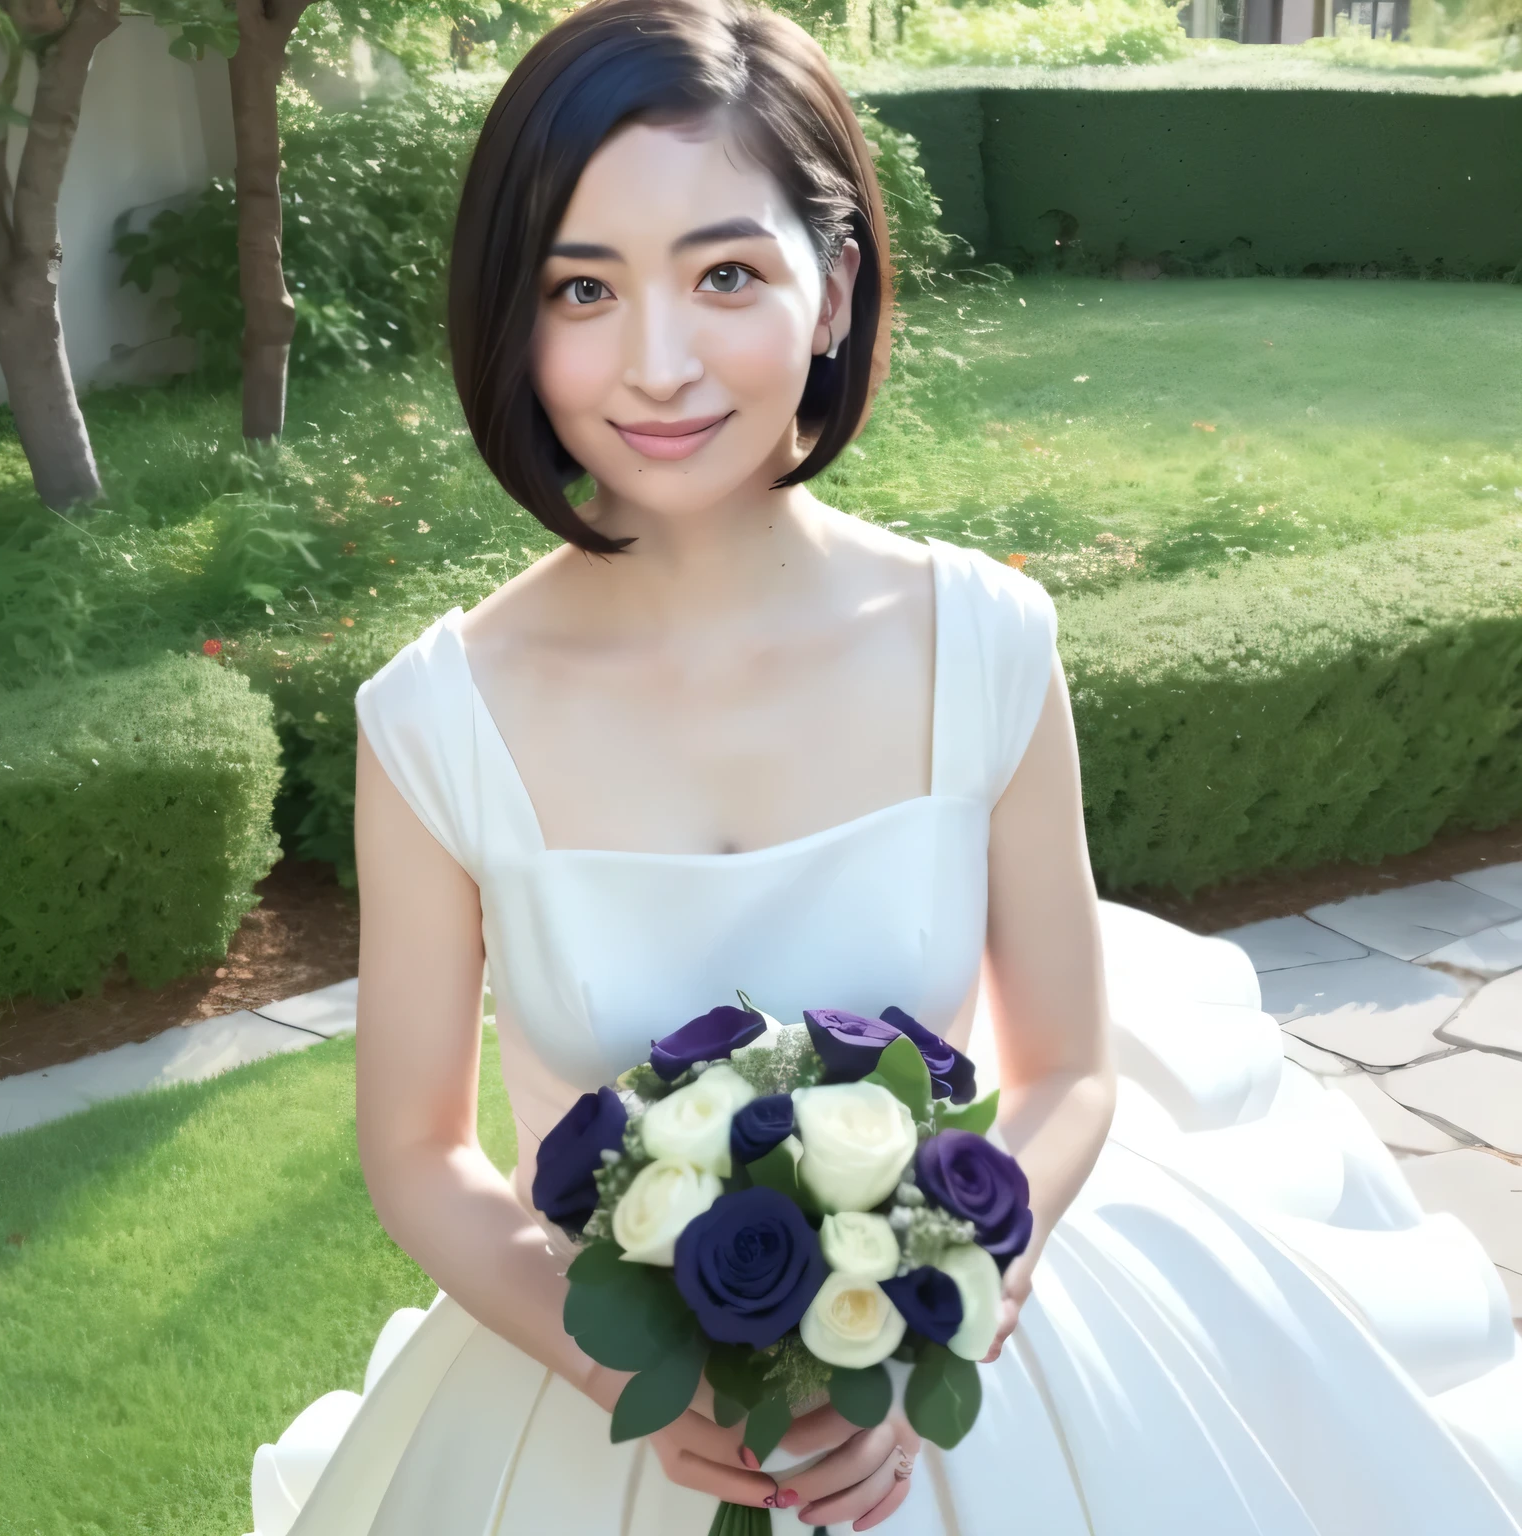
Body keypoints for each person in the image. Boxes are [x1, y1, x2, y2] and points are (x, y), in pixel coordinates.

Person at [246, 2, 1522, 1531]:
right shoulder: (436, 719)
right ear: (515, 318)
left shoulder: (981, 640)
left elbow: (1068, 1073)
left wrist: (944, 1312)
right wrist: (632, 1378)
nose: (656, 365)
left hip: (976, 1389)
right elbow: (421, 1154)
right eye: (583, 287)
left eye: (726, 273)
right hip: (608, 1427)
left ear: (834, 287)